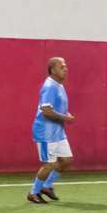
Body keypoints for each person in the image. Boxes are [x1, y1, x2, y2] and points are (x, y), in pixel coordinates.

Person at [29, 57, 75, 204]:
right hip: (46, 131)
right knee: (49, 164)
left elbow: (54, 108)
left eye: (65, 66)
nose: (66, 69)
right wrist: (65, 117)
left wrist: (64, 115)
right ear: (53, 70)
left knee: (65, 160)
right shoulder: (50, 86)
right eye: (62, 67)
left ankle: (47, 186)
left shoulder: (58, 85)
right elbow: (46, 110)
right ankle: (33, 193)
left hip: (57, 130)